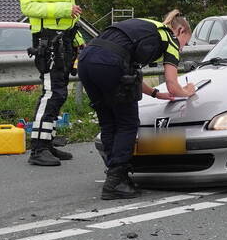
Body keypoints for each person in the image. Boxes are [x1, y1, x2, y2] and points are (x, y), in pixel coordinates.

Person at [78, 10, 195, 199]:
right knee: (127, 123)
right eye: (185, 43)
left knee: (109, 122)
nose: (182, 49)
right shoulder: (170, 38)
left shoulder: (147, 26)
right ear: (180, 30)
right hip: (110, 63)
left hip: (86, 60)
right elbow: (174, 86)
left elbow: (129, 71)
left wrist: (156, 93)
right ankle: (116, 182)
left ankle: (116, 176)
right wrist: (188, 90)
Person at [19, 0, 85, 167]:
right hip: (47, 40)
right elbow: (28, 8)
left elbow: (69, 14)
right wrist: (62, 10)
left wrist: (77, 40)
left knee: (59, 92)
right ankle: (37, 149)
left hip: (64, 39)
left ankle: (48, 142)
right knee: (52, 92)